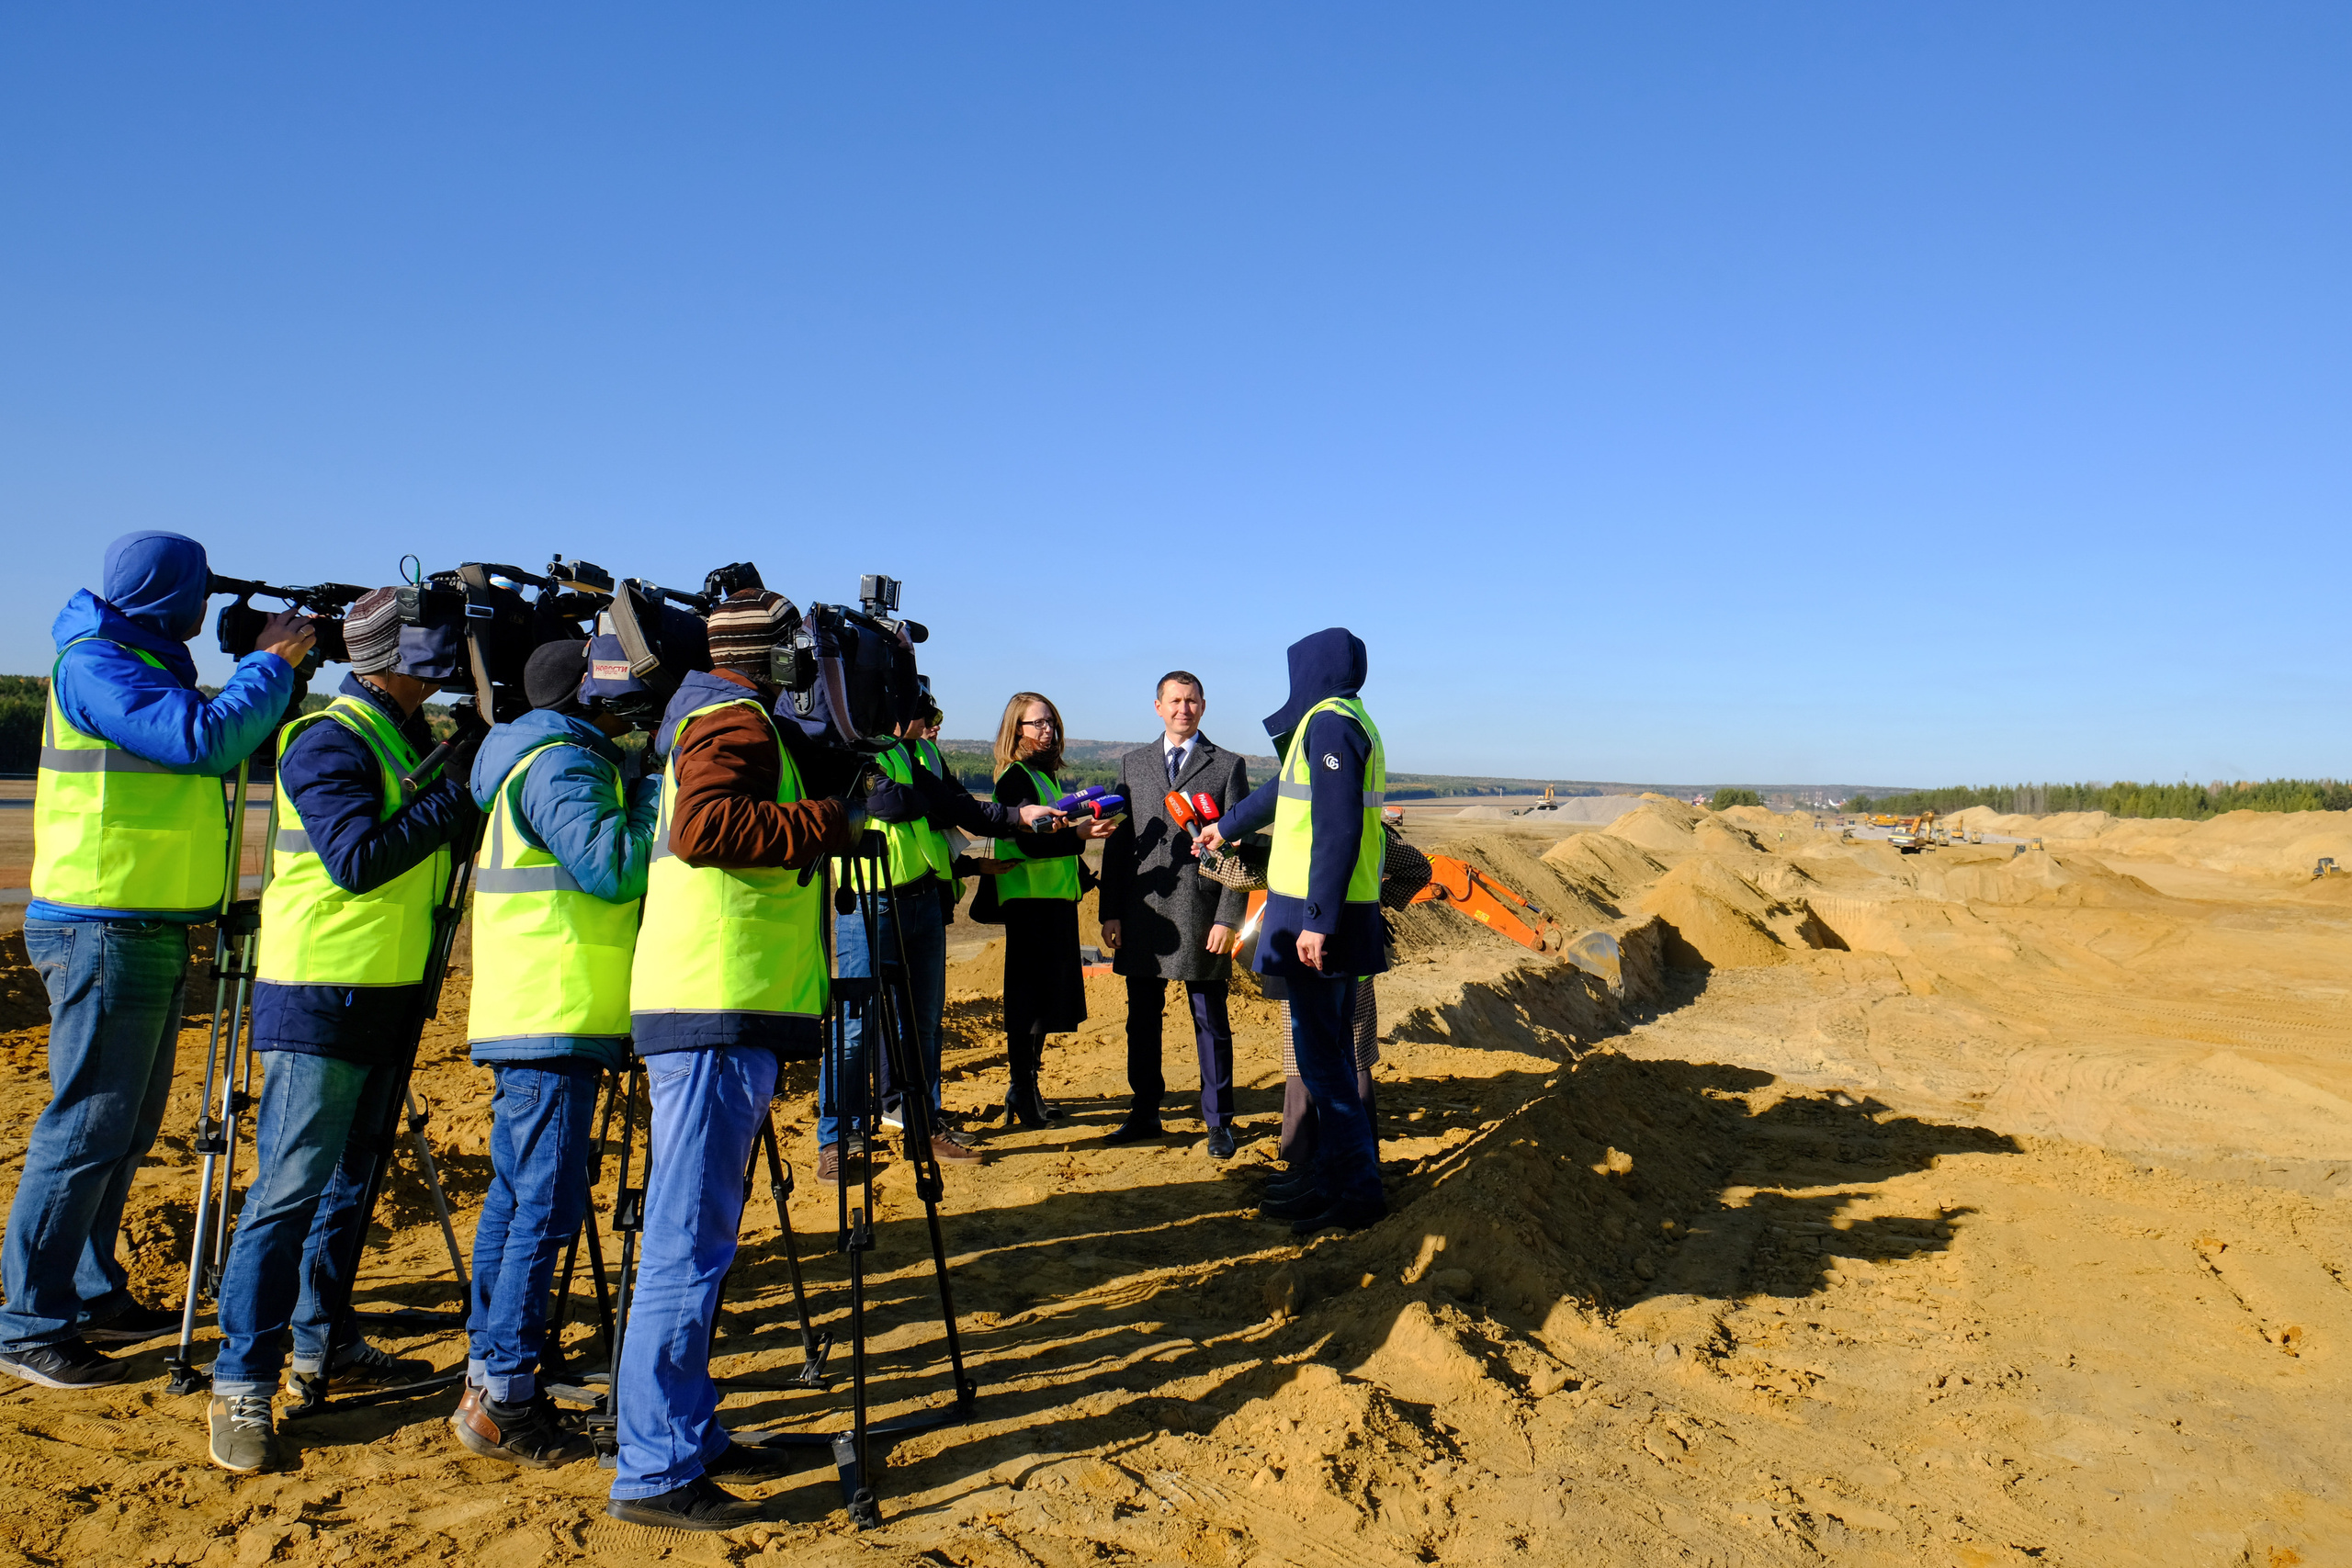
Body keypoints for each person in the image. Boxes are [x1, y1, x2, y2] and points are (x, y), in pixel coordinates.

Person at [609, 588, 913, 1531]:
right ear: (773, 657)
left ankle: (688, 1434)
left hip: (723, 1008)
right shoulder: (729, 721)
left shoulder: (730, 720)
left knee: (699, 1238)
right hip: (708, 1008)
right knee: (685, 1247)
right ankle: (655, 1469)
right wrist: (829, 827)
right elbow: (705, 830)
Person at [0, 533, 311, 1392]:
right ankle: (29, 1319)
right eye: (199, 590)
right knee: (86, 1125)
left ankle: (91, 1289)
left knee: (125, 1129)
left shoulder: (142, 661)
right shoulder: (99, 664)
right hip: (103, 924)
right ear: (171, 592)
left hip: (146, 924)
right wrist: (270, 665)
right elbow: (203, 740)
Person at [205, 588, 482, 1473]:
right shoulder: (326, 738)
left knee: (349, 1186)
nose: (443, 657)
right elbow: (358, 859)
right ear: (386, 659)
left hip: (384, 991)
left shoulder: (396, 734)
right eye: (428, 645)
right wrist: (459, 794)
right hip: (319, 994)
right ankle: (240, 1382)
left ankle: (322, 1344)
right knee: (287, 1192)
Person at [449, 640, 658, 1468]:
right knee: (544, 1206)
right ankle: (507, 1395)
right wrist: (654, 796)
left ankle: (489, 1375)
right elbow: (611, 865)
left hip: (539, 1010)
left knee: (517, 1200)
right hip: (551, 1011)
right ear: (585, 694)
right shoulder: (558, 765)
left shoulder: (529, 758)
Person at [1194, 628, 1387, 1235]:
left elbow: (1335, 828)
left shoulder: (1329, 725)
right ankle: (1330, 1175)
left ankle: (1358, 1190)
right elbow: (1283, 792)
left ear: (1314, 670)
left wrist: (1316, 921)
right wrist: (1224, 827)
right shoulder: (1334, 721)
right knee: (1325, 1054)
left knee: (1324, 1063)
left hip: (1321, 916)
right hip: (1331, 912)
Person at [823, 713, 1054, 1172]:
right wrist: (938, 804)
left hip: (923, 897)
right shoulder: (852, 743)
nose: (929, 720)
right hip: (871, 901)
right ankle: (838, 1140)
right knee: (853, 1029)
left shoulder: (913, 754)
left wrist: (1010, 816)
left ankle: (922, 1128)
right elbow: (888, 805)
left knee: (924, 1025)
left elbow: (957, 806)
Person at [1098, 671, 1250, 1156]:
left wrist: (1229, 918)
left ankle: (1218, 1121)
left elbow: (1239, 852)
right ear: (1158, 707)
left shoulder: (1227, 766)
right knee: (1141, 1018)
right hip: (1144, 915)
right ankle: (1144, 1112)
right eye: (1175, 701)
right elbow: (1120, 846)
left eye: (1192, 701)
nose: (1183, 709)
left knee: (1210, 1018)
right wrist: (1110, 911)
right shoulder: (1133, 763)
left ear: (1203, 706)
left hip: (1203, 911)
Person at [984, 694, 1116, 1127]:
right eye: (1036, 724)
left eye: (1051, 724)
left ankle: (1026, 1089)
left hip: (1051, 901)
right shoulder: (1016, 781)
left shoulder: (1043, 779)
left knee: (1041, 1002)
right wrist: (1078, 834)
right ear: (1015, 730)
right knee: (1028, 1003)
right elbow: (1027, 841)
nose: (1047, 731)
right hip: (1029, 903)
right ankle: (1022, 1090)